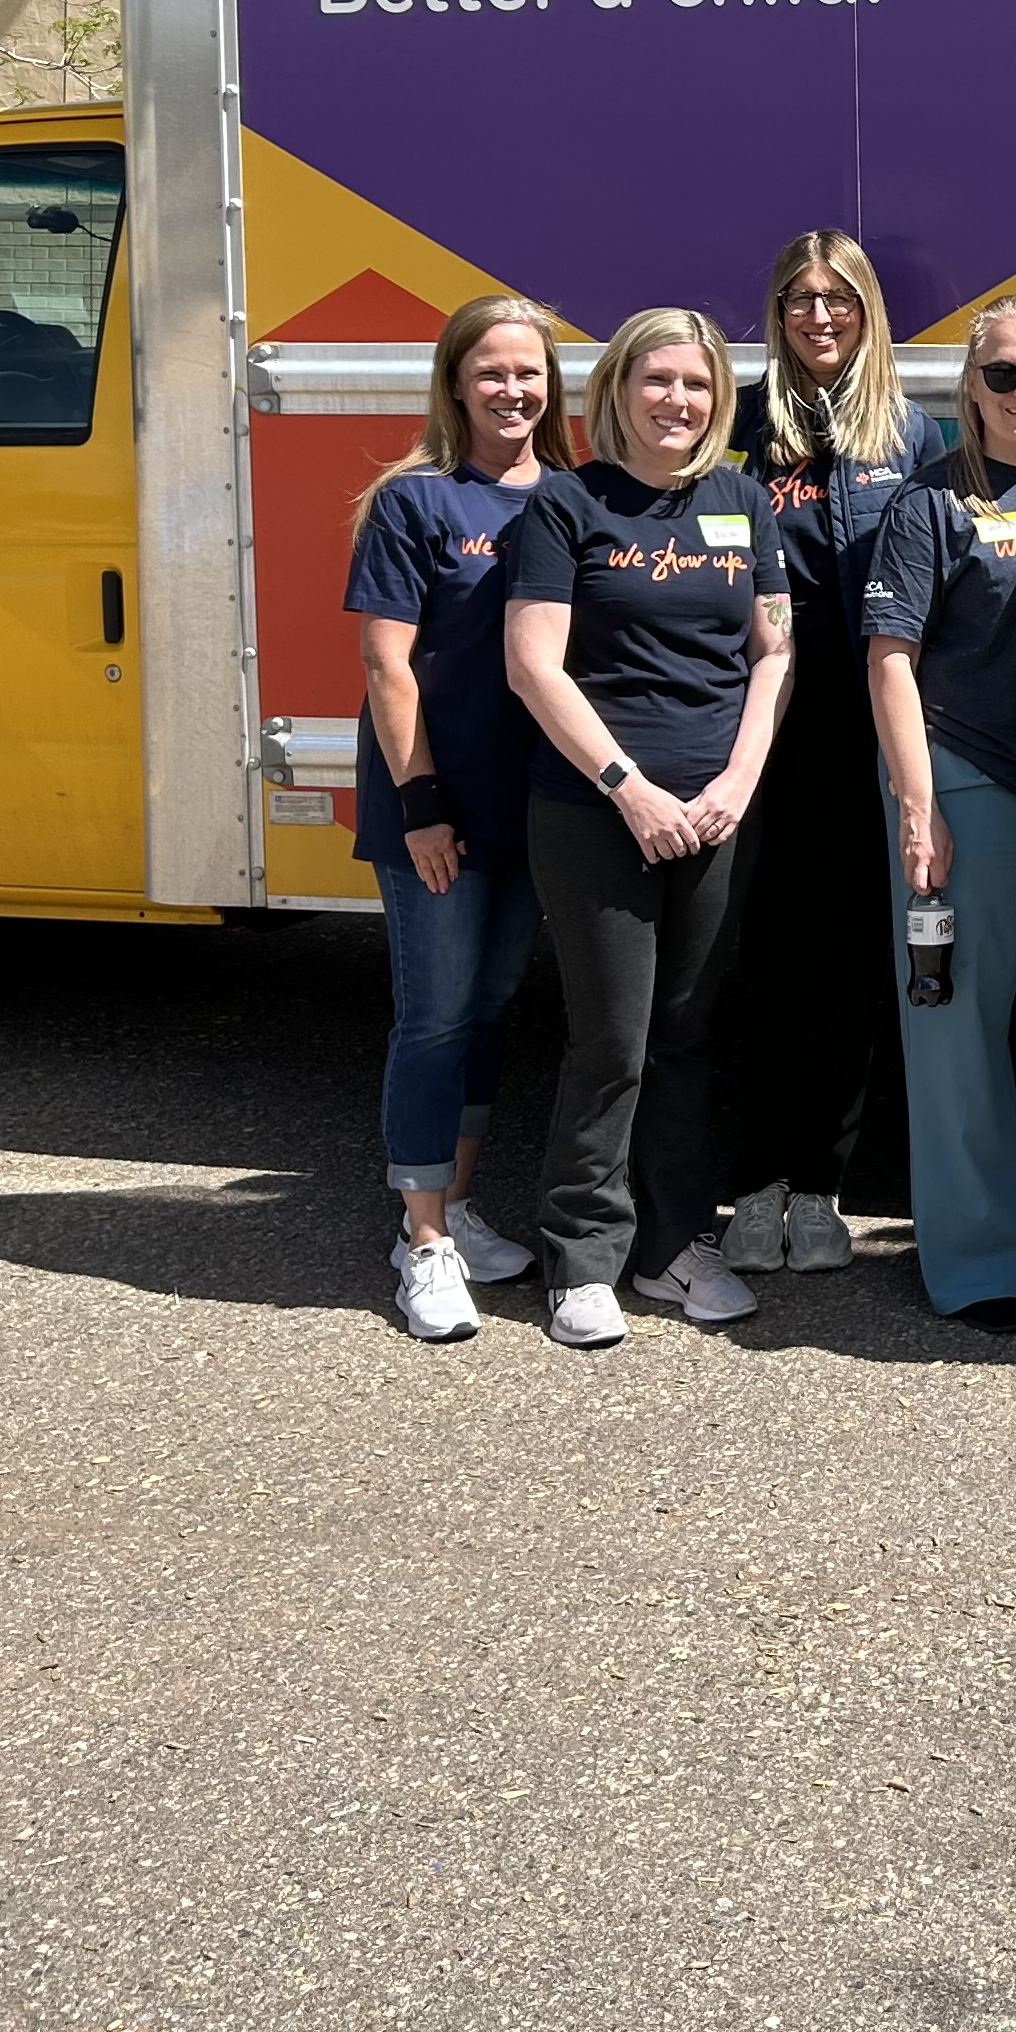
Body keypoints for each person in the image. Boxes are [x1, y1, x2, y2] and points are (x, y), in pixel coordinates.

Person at [504, 308, 795, 1348]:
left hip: (717, 814)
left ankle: (673, 1246)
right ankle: (582, 1254)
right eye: (659, 380)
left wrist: (739, 781)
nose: (680, 401)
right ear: (618, 388)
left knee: (686, 1032)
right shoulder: (568, 507)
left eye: (700, 384)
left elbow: (773, 651)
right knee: (612, 1039)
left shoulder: (740, 502)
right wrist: (629, 786)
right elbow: (533, 663)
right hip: (594, 814)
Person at [859, 296, 1016, 1329]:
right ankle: (978, 1265)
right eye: (1004, 374)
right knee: (959, 1046)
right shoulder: (929, 504)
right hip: (970, 794)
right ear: (969, 385)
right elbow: (889, 662)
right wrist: (919, 809)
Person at [349, 294, 577, 1342]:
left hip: (531, 811)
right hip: (436, 810)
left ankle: (459, 1206)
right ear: (455, 382)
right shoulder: (416, 502)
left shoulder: (571, 498)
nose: (513, 390)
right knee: (433, 1016)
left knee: (487, 1015)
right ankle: (423, 1241)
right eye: (492, 371)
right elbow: (387, 665)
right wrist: (421, 805)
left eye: (529, 373)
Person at [722, 231, 940, 1279]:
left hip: (875, 728)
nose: (819, 317)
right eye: (800, 298)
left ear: (867, 311)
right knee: (768, 954)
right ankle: (756, 1176)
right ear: (777, 309)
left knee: (859, 956)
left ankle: (823, 1183)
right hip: (765, 727)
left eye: (839, 299)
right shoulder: (738, 428)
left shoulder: (911, 431)